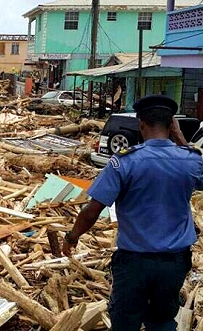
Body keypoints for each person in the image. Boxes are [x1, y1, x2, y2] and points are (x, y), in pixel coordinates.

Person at [62, 95, 203, 330]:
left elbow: (92, 211)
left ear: (141, 124)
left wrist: (72, 237)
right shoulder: (190, 160)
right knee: (162, 321)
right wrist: (183, 142)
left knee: (125, 321)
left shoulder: (124, 162)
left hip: (134, 263)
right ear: (172, 126)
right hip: (174, 263)